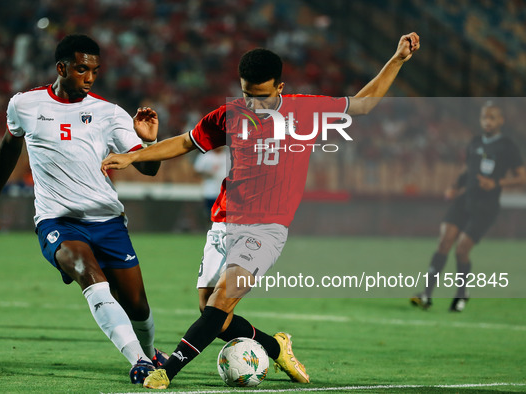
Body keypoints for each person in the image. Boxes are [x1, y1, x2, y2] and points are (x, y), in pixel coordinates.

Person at [102, 33, 420, 389]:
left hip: (266, 229)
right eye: (247, 94)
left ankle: (168, 371)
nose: (253, 103)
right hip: (224, 222)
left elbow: (362, 105)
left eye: (261, 95)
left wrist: (397, 59)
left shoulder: (306, 111)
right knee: (214, 316)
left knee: (221, 301)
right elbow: (184, 142)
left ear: (280, 86)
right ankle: (275, 346)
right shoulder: (229, 115)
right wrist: (134, 155)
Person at [0, 34, 168, 383]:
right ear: (62, 67)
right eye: (82, 69)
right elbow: (9, 147)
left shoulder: (109, 113)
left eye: (94, 71)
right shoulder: (25, 105)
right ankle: (139, 362)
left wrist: (149, 141)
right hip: (58, 221)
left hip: (107, 220)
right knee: (88, 274)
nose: (90, 77)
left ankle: (151, 352)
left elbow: (150, 168)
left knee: (138, 306)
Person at [411, 101, 526, 312]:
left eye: (492, 118)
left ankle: (462, 293)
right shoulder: (474, 142)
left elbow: (522, 177)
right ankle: (426, 294)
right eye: (484, 118)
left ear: (501, 120)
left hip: (486, 206)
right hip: (465, 200)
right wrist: (455, 186)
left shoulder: (507, 146)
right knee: (444, 241)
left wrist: (497, 183)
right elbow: (468, 170)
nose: (488, 122)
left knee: (462, 249)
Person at [193, 146, 229, 216]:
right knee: (211, 215)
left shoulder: (228, 156)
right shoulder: (205, 156)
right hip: (210, 191)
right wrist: (206, 173)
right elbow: (196, 172)